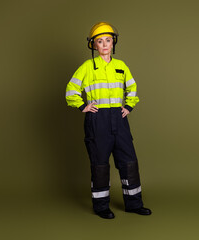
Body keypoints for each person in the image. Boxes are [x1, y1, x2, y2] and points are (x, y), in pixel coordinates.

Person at [65, 22, 151, 219]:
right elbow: (71, 90)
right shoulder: (87, 67)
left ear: (113, 43)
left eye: (108, 40)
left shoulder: (121, 66)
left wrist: (128, 106)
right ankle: (101, 206)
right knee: (100, 164)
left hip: (119, 120)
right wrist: (82, 106)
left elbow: (132, 88)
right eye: (100, 41)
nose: (104, 44)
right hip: (98, 120)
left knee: (128, 162)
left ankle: (134, 203)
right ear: (93, 45)